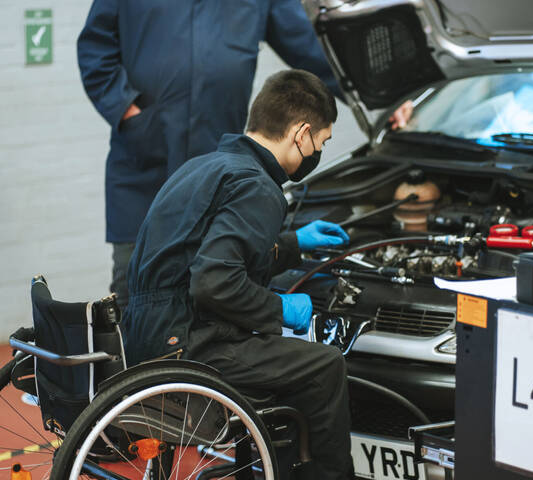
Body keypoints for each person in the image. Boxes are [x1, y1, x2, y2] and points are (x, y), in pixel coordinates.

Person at [77, 0, 413, 309]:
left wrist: (385, 95)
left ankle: (199, 375)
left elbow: (312, 50)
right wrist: (128, 113)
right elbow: (95, 49)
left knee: (218, 290)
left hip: (220, 171)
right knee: (133, 296)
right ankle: (134, 376)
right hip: (145, 167)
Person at [123, 70, 352, 479]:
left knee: (280, 357)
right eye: (322, 140)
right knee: (324, 364)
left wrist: (296, 243)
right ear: (301, 134)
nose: (319, 150)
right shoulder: (258, 187)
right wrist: (279, 307)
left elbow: (209, 256)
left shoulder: (207, 166)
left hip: (145, 336)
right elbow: (214, 282)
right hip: (189, 347)